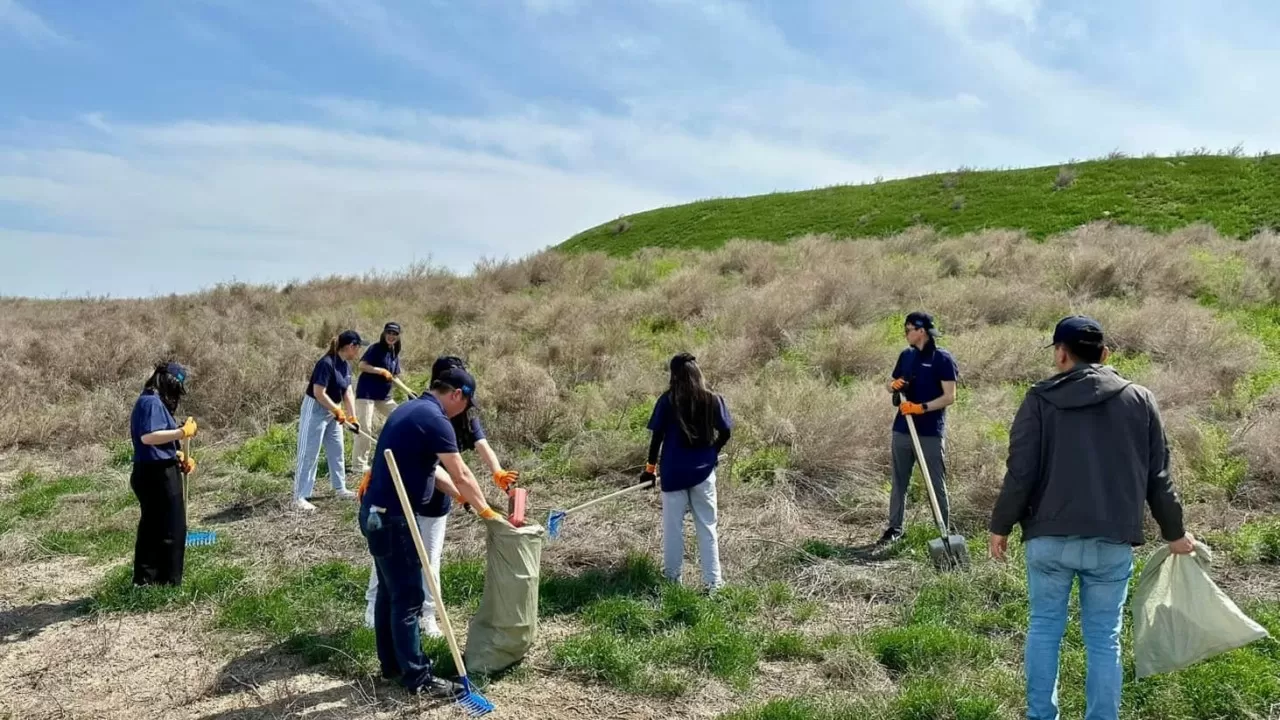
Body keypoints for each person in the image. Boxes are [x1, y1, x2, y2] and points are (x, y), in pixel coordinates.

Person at [988, 315, 1195, 720]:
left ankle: (1040, 716)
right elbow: (1159, 477)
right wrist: (1175, 533)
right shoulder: (1140, 400)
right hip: (1111, 541)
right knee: (1104, 639)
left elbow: (1021, 472)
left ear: (1060, 354)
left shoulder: (1039, 399)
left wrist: (1001, 524)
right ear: (1105, 354)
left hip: (1047, 539)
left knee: (1045, 627)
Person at [358, 363, 508, 698]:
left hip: (376, 514)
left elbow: (434, 474)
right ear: (457, 395)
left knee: (389, 592)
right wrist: (485, 510)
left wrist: (469, 503)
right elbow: (462, 474)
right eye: (466, 404)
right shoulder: (436, 420)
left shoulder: (414, 409)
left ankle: (392, 667)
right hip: (391, 519)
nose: (466, 411)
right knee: (409, 597)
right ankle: (418, 678)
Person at [642, 352, 732, 592]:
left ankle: (673, 582)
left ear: (674, 375)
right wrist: (712, 453)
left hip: (673, 474)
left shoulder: (667, 400)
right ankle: (714, 584)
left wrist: (650, 470)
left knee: (673, 529)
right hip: (703, 473)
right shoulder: (712, 400)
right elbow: (725, 432)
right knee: (707, 527)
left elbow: (657, 438)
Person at [875, 311, 958, 549]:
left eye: (908, 329)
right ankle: (894, 528)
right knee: (899, 480)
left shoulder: (943, 359)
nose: (905, 333)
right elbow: (890, 384)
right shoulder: (906, 356)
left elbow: (950, 396)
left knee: (935, 482)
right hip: (902, 429)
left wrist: (921, 408)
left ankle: (943, 530)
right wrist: (893, 386)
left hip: (929, 432)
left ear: (921, 331)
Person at [129, 361, 198, 586]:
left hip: (158, 470)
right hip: (156, 475)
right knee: (168, 528)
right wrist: (181, 432)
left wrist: (179, 456)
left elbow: (158, 443)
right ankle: (163, 582)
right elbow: (148, 437)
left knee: (158, 526)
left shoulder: (153, 401)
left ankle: (150, 581)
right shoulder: (150, 402)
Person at [292, 329, 363, 512]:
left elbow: (347, 391)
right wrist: (337, 410)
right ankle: (299, 497)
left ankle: (340, 488)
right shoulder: (326, 363)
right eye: (358, 348)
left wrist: (352, 416)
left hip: (333, 410)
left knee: (337, 450)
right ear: (350, 347)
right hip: (316, 409)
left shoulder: (345, 365)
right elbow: (318, 392)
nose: (359, 352)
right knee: (309, 452)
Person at [352, 322, 404, 478]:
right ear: (384, 333)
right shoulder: (376, 348)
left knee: (401, 417)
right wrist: (379, 370)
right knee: (365, 427)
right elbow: (362, 365)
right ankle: (358, 464)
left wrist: (407, 390)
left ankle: (399, 453)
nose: (391, 336)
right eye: (389, 332)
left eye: (394, 333)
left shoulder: (394, 352)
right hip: (367, 393)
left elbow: (394, 376)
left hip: (384, 396)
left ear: (398, 336)